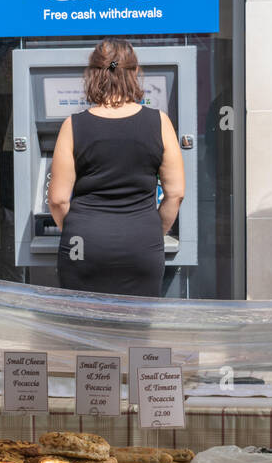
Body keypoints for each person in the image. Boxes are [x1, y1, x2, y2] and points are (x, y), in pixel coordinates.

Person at [46, 40, 184, 298]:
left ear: (92, 74)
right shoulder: (160, 122)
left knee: (82, 328)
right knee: (137, 330)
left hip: (84, 245)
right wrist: (151, 231)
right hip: (142, 243)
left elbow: (57, 200)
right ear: (135, 72)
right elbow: (175, 194)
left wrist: (82, 230)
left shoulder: (73, 126)